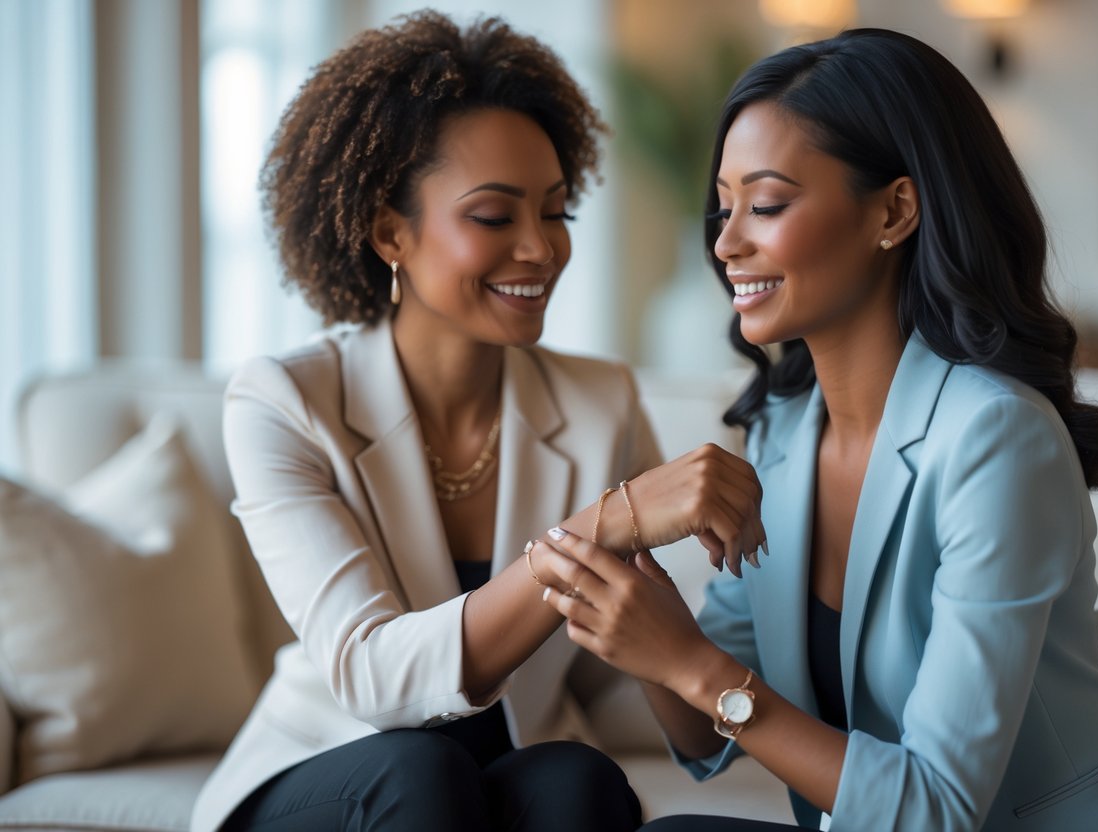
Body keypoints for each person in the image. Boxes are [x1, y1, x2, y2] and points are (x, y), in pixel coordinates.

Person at [532, 28, 1098, 831]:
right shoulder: (780, 433)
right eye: (724, 208)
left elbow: (935, 808)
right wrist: (642, 616)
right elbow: (705, 735)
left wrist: (690, 664)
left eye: (766, 205)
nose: (727, 244)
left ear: (894, 210)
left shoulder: (995, 439)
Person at [189, 11, 766, 832]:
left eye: (557, 212)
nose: (539, 248)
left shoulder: (599, 403)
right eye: (494, 217)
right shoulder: (283, 402)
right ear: (391, 231)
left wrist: (691, 649)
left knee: (576, 778)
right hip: (335, 774)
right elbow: (371, 677)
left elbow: (621, 687)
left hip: (496, 775)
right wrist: (610, 520)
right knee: (419, 770)